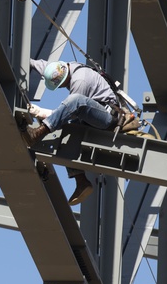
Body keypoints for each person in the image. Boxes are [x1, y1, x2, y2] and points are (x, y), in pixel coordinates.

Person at [24, 59, 140, 205]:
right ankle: (81, 181)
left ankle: (38, 133)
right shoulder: (59, 69)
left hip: (106, 118)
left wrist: (41, 113)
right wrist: (27, 61)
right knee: (67, 133)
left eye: (62, 85)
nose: (62, 87)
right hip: (90, 116)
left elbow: (70, 110)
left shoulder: (80, 80)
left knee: (74, 102)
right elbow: (41, 65)